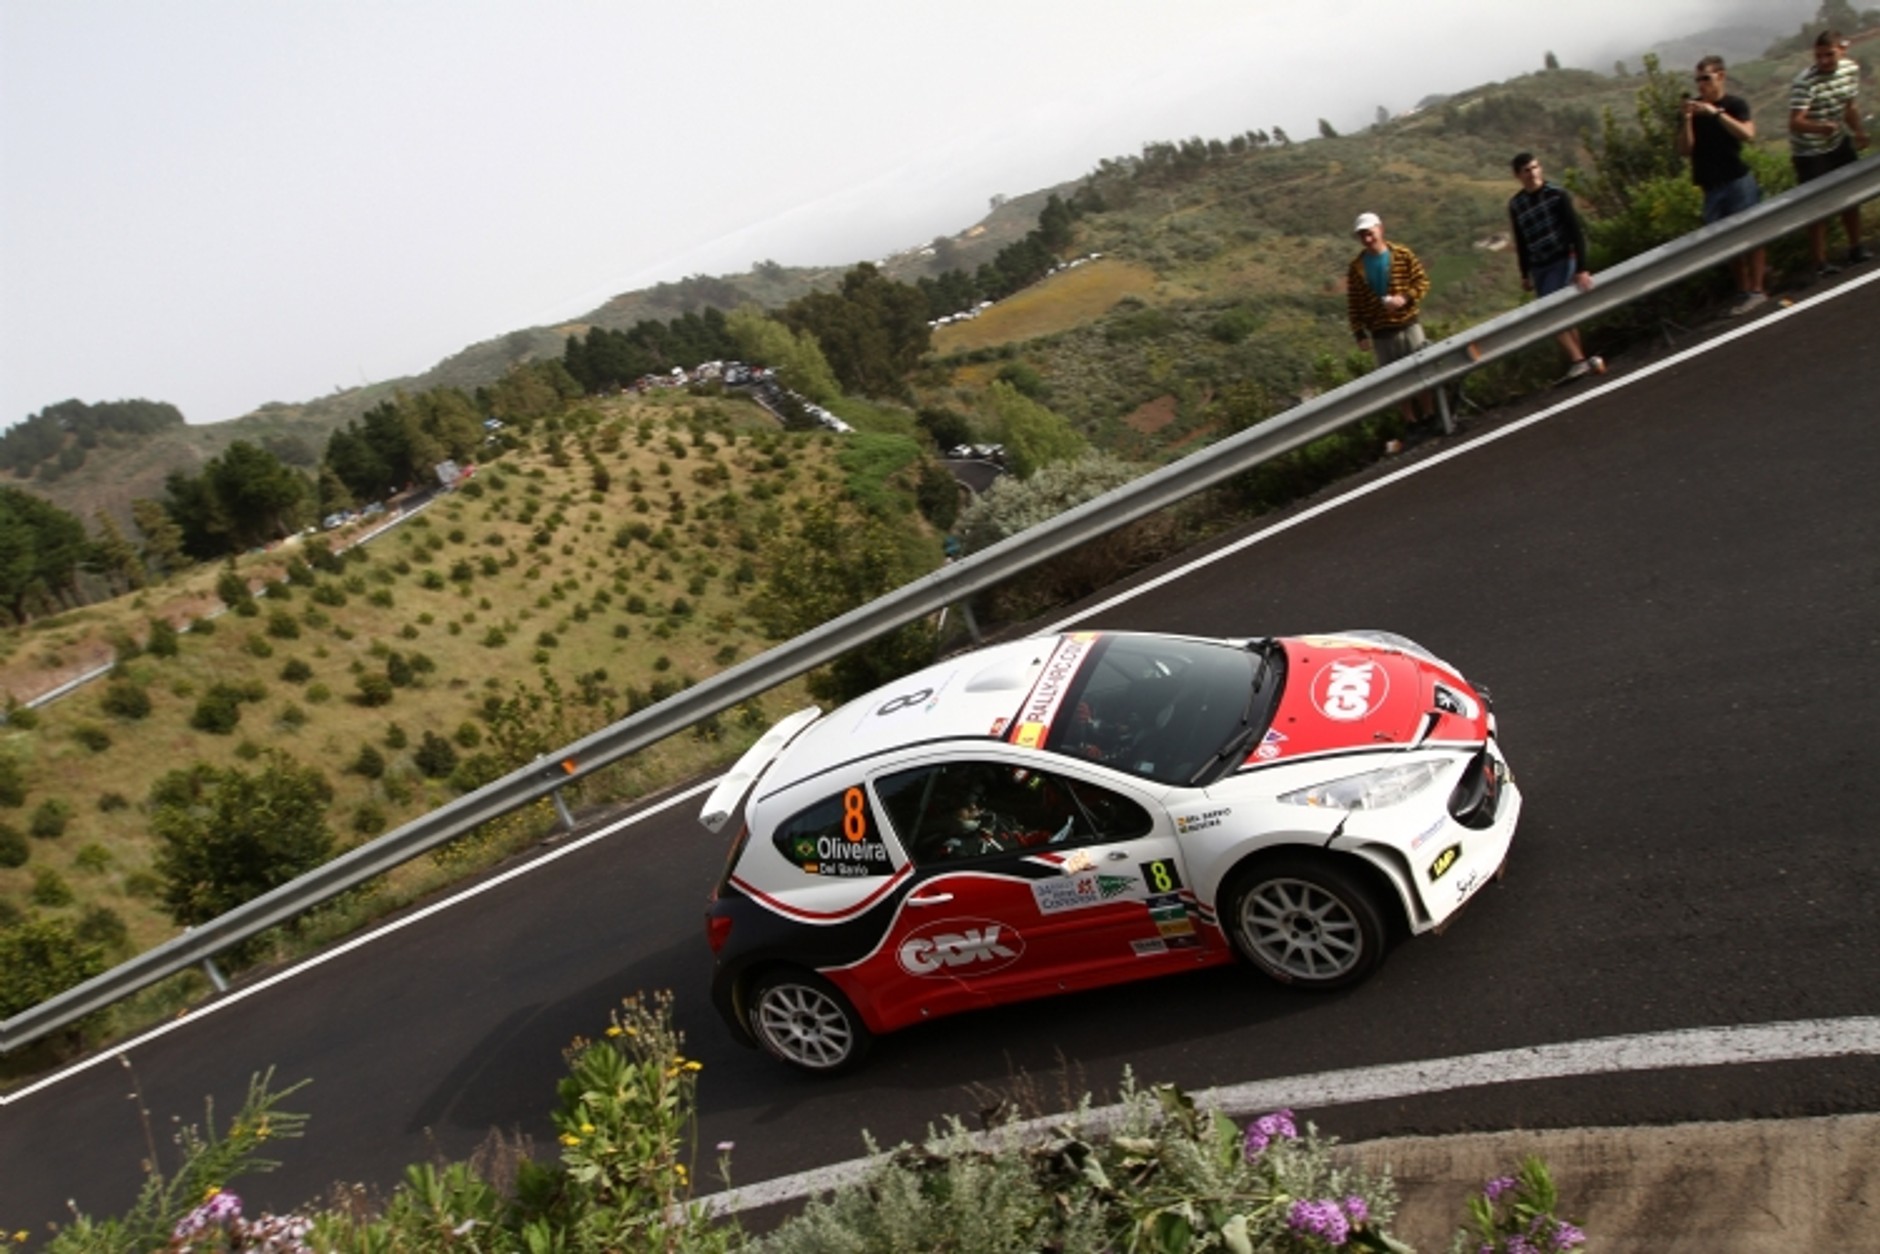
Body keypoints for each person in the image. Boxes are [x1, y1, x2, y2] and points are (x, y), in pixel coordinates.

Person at [1678, 56, 1768, 315]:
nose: (1701, 85)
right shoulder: (1695, 113)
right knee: (1727, 244)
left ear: (1721, 76)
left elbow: (1747, 134)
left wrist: (1716, 113)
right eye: (1698, 80)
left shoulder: (1734, 104)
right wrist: (1687, 118)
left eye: (1706, 78)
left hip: (1737, 180)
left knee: (1752, 235)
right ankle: (1743, 290)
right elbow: (1685, 149)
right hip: (1710, 185)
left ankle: (1758, 288)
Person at [1506, 153, 1604, 376]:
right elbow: (1521, 240)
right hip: (1540, 265)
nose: (1532, 174)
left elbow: (1575, 232)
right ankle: (1582, 358)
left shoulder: (1556, 195)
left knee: (1549, 311)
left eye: (1535, 168)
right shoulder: (1516, 204)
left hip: (1562, 258)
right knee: (1563, 313)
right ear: (1518, 175)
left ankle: (1577, 359)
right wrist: (1524, 272)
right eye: (1526, 171)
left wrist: (1581, 267)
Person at [1346, 212, 1436, 437]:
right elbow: (1354, 303)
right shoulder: (1356, 268)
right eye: (1362, 235)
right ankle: (1412, 423)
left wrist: (1405, 298)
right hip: (1380, 332)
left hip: (1408, 325)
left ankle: (1430, 415)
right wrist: (1359, 334)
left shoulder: (1402, 255)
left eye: (1370, 233)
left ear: (1380, 229)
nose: (1367, 239)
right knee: (1395, 382)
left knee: (1420, 371)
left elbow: (1422, 281)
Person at [1788, 30, 1870, 277]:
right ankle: (1819, 262)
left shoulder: (1849, 71)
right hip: (1809, 150)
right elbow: (1795, 121)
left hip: (1837, 141)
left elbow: (1849, 106)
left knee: (1850, 196)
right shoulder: (1806, 81)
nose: (1824, 61)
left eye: (1829, 55)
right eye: (1819, 56)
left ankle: (1856, 247)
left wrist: (1858, 131)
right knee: (1817, 206)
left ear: (1841, 51)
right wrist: (1819, 128)